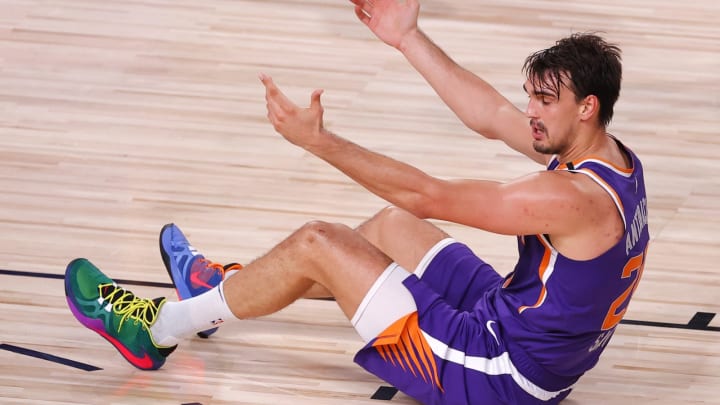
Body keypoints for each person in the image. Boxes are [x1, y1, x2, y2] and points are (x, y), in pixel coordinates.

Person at [64, 0, 650, 404]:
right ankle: (225, 288)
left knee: (319, 242)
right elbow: (492, 117)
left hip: (498, 379)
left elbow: (428, 195)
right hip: (521, 331)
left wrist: (318, 142)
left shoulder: (569, 197)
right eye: (532, 96)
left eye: (544, 101)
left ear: (587, 106)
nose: (530, 112)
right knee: (391, 227)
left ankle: (157, 330)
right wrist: (407, 38)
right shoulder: (610, 158)